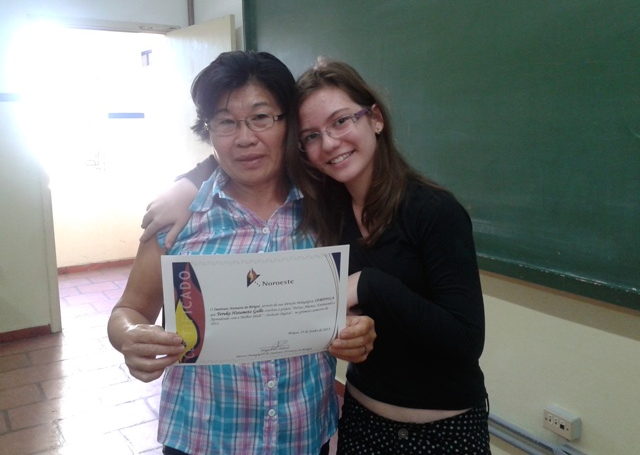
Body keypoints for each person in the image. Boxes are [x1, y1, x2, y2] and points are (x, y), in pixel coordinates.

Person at [142, 58, 490, 454]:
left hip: (443, 430)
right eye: (311, 136)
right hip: (362, 420)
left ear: (375, 118)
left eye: (341, 121)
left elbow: (466, 341)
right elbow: (244, 152)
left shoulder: (433, 210)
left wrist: (368, 285)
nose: (329, 143)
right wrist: (187, 184)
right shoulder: (325, 207)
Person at [108, 51, 376, 455]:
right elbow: (128, 310)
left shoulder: (326, 208)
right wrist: (131, 336)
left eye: (261, 117)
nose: (245, 138)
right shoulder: (176, 220)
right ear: (208, 131)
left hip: (303, 434)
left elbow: (343, 304)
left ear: (288, 124)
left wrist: (356, 329)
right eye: (225, 122)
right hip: (203, 438)